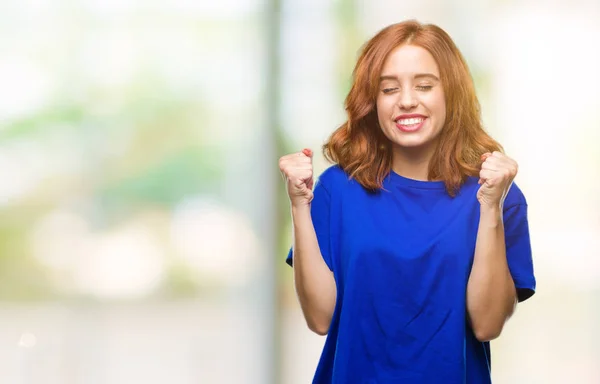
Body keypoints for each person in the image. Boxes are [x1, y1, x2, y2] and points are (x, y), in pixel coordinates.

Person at [278, 20, 535, 383]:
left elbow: (487, 324)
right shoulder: (337, 190)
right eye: (388, 88)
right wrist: (299, 205)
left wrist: (490, 208)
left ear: (452, 94)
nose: (407, 100)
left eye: (425, 86)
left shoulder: (498, 195)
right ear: (373, 101)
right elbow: (320, 319)